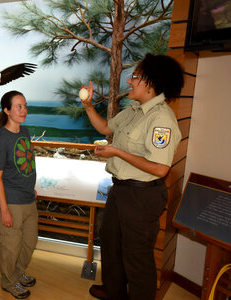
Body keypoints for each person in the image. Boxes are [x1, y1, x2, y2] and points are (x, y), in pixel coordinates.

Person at [84, 54, 184, 300]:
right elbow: (106, 128)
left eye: (136, 76)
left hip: (142, 195)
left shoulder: (161, 118)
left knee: (137, 255)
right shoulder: (134, 110)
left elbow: (160, 168)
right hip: (121, 190)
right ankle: (114, 290)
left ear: (150, 83)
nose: (130, 81)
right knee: (111, 244)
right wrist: (87, 106)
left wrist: (117, 151)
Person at [0, 91, 38, 299]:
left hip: (28, 198)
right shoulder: (0, 140)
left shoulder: (24, 132)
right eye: (18, 106)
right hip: (9, 201)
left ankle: (17, 273)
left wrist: (30, 185)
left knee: (29, 242)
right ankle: (9, 281)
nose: (24, 110)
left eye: (25, 106)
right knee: (11, 246)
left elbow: (25, 162)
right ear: (7, 110)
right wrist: (4, 210)